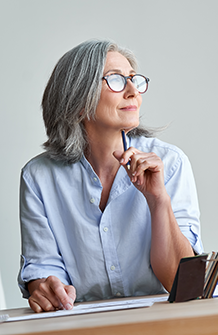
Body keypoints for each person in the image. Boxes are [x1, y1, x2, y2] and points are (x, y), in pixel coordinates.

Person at [18, 39, 203, 313]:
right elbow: (43, 272)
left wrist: (158, 199)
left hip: (163, 324)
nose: (133, 92)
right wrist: (46, 288)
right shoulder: (39, 178)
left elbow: (181, 281)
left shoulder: (170, 163)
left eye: (133, 79)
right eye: (116, 80)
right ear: (78, 101)